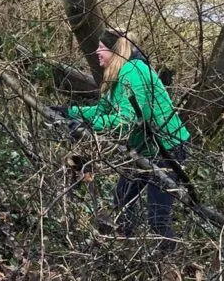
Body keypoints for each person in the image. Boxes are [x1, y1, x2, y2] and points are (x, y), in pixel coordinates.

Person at [64, 29, 190, 251]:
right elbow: (103, 110)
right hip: (145, 148)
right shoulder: (116, 74)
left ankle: (169, 259)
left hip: (168, 149)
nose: (97, 52)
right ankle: (125, 246)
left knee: (157, 217)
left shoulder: (133, 73)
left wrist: (90, 126)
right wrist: (70, 112)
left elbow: (127, 121)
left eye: (102, 48)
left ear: (115, 51)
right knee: (123, 198)